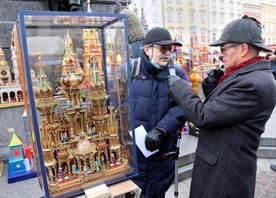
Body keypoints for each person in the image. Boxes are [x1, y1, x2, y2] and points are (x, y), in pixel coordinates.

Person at [168, 15, 276, 197]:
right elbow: (227, 113)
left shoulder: (253, 83)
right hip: (221, 167)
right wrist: (213, 86)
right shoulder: (246, 74)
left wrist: (176, 83)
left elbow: (202, 116)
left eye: (224, 48)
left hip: (224, 176)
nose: (221, 53)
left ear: (243, 49)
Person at [130, 27, 186, 198]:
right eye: (162, 48)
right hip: (135, 155)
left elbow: (186, 104)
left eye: (170, 49)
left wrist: (163, 128)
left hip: (162, 152)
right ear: (147, 49)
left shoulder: (176, 72)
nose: (167, 53)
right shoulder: (131, 71)